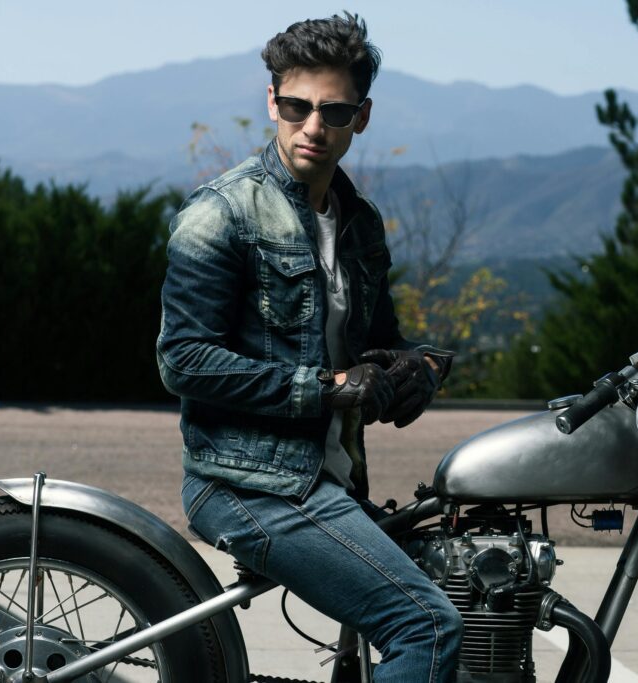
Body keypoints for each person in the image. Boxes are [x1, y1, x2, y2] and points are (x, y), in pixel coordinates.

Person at [156, 13, 462, 682]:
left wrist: (423, 366)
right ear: (272, 101)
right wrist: (323, 388)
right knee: (427, 625)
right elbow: (183, 359)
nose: (313, 127)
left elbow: (379, 343)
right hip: (245, 484)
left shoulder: (358, 222)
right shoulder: (223, 212)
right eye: (296, 106)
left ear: (363, 115)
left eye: (335, 111)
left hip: (328, 480)